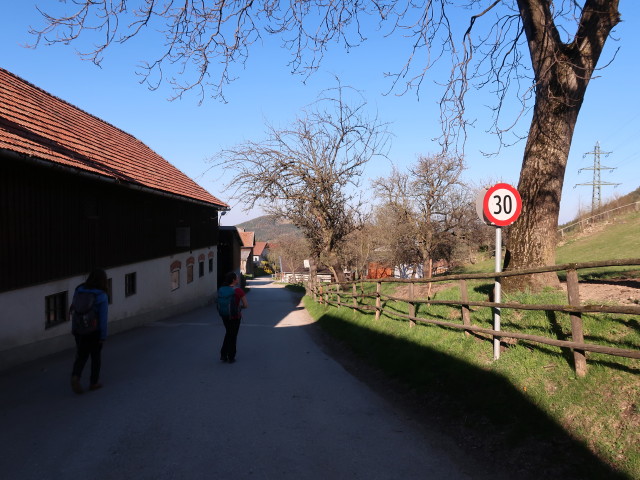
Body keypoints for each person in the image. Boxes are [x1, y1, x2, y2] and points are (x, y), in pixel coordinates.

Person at [70, 269, 109, 394]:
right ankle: (93, 383)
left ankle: (75, 376)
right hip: (94, 330)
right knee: (95, 357)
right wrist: (103, 335)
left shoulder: (79, 290)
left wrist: (74, 329)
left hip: (79, 329)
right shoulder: (101, 295)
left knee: (81, 355)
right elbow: (103, 318)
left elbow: (74, 310)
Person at [218, 271, 248, 363]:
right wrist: (239, 307)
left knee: (228, 333)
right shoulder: (238, 290)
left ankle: (223, 355)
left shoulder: (222, 289)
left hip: (224, 315)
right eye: (237, 278)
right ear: (234, 280)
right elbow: (246, 305)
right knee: (233, 335)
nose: (238, 279)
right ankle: (231, 357)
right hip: (235, 316)